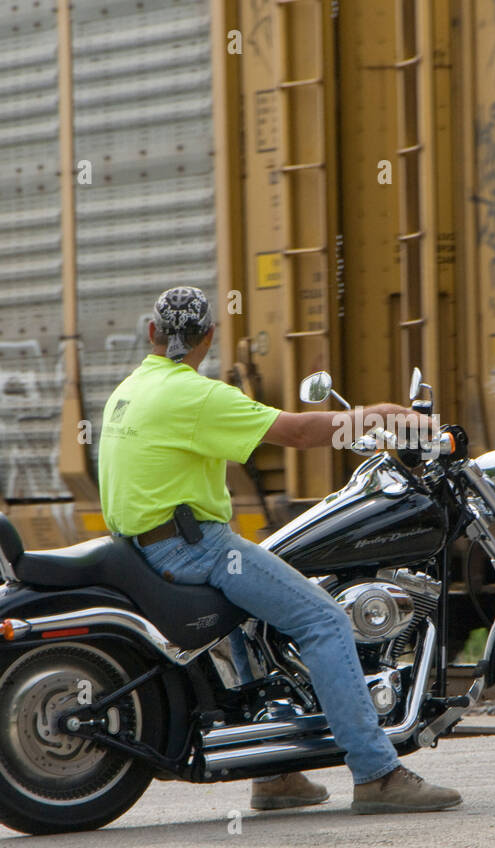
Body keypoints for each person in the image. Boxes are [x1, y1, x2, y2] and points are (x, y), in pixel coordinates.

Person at [97, 285, 462, 815]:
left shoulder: (128, 391)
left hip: (147, 548)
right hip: (195, 547)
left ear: (151, 332)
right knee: (326, 620)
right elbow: (296, 432)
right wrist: (383, 415)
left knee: (254, 627)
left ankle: (277, 777)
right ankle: (378, 774)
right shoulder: (194, 395)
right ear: (209, 338)